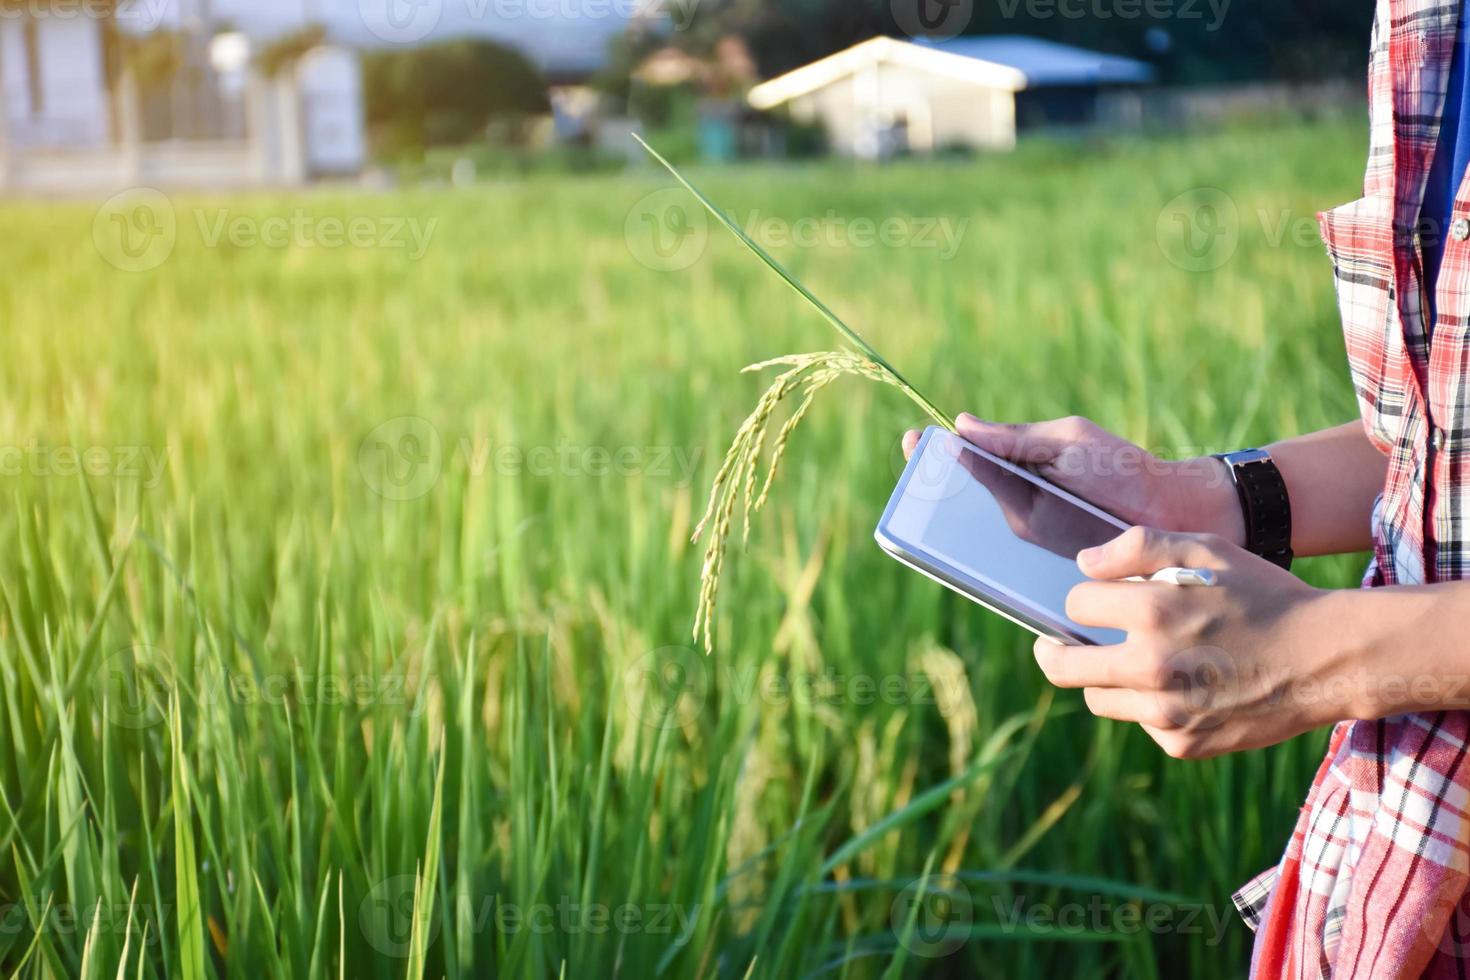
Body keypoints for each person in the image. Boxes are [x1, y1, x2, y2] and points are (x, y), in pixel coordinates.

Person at [902, 1, 1470, 974]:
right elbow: (1436, 444)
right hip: (1400, 876)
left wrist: (1319, 656)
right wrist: (1212, 497)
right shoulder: (1424, 23)